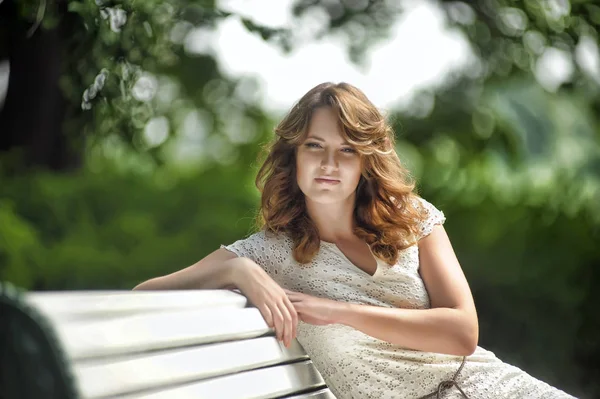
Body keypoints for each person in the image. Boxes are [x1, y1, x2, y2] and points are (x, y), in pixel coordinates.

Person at [133, 82, 576, 399]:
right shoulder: (267, 253)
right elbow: (140, 297)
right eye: (314, 146)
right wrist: (233, 269)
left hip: (492, 387)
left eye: (346, 149)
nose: (329, 163)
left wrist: (337, 312)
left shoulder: (414, 221)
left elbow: (462, 332)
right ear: (293, 154)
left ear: (366, 160)